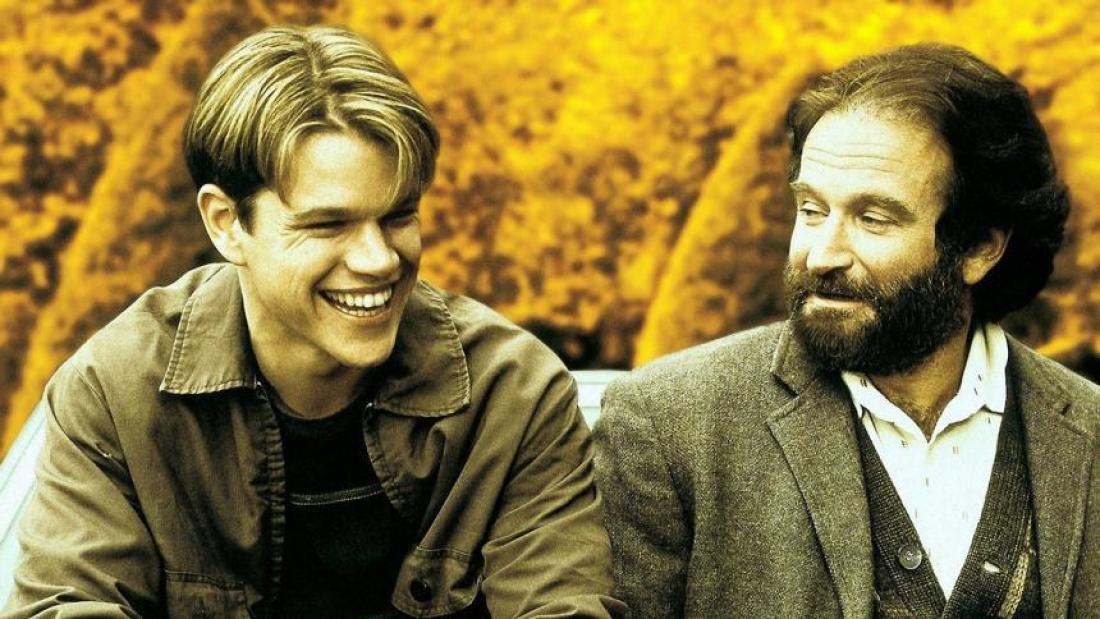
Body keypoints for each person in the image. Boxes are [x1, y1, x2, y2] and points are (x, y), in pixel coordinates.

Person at [5, 25, 622, 618]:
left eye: (399, 216)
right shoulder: (114, 396)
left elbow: (563, 607)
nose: (379, 260)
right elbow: (70, 605)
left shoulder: (513, 396)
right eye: (328, 225)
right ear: (226, 223)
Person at [594, 43, 1099, 617]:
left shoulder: (1087, 434)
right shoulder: (669, 424)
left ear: (980, 248)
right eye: (811, 210)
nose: (821, 254)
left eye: (873, 219)